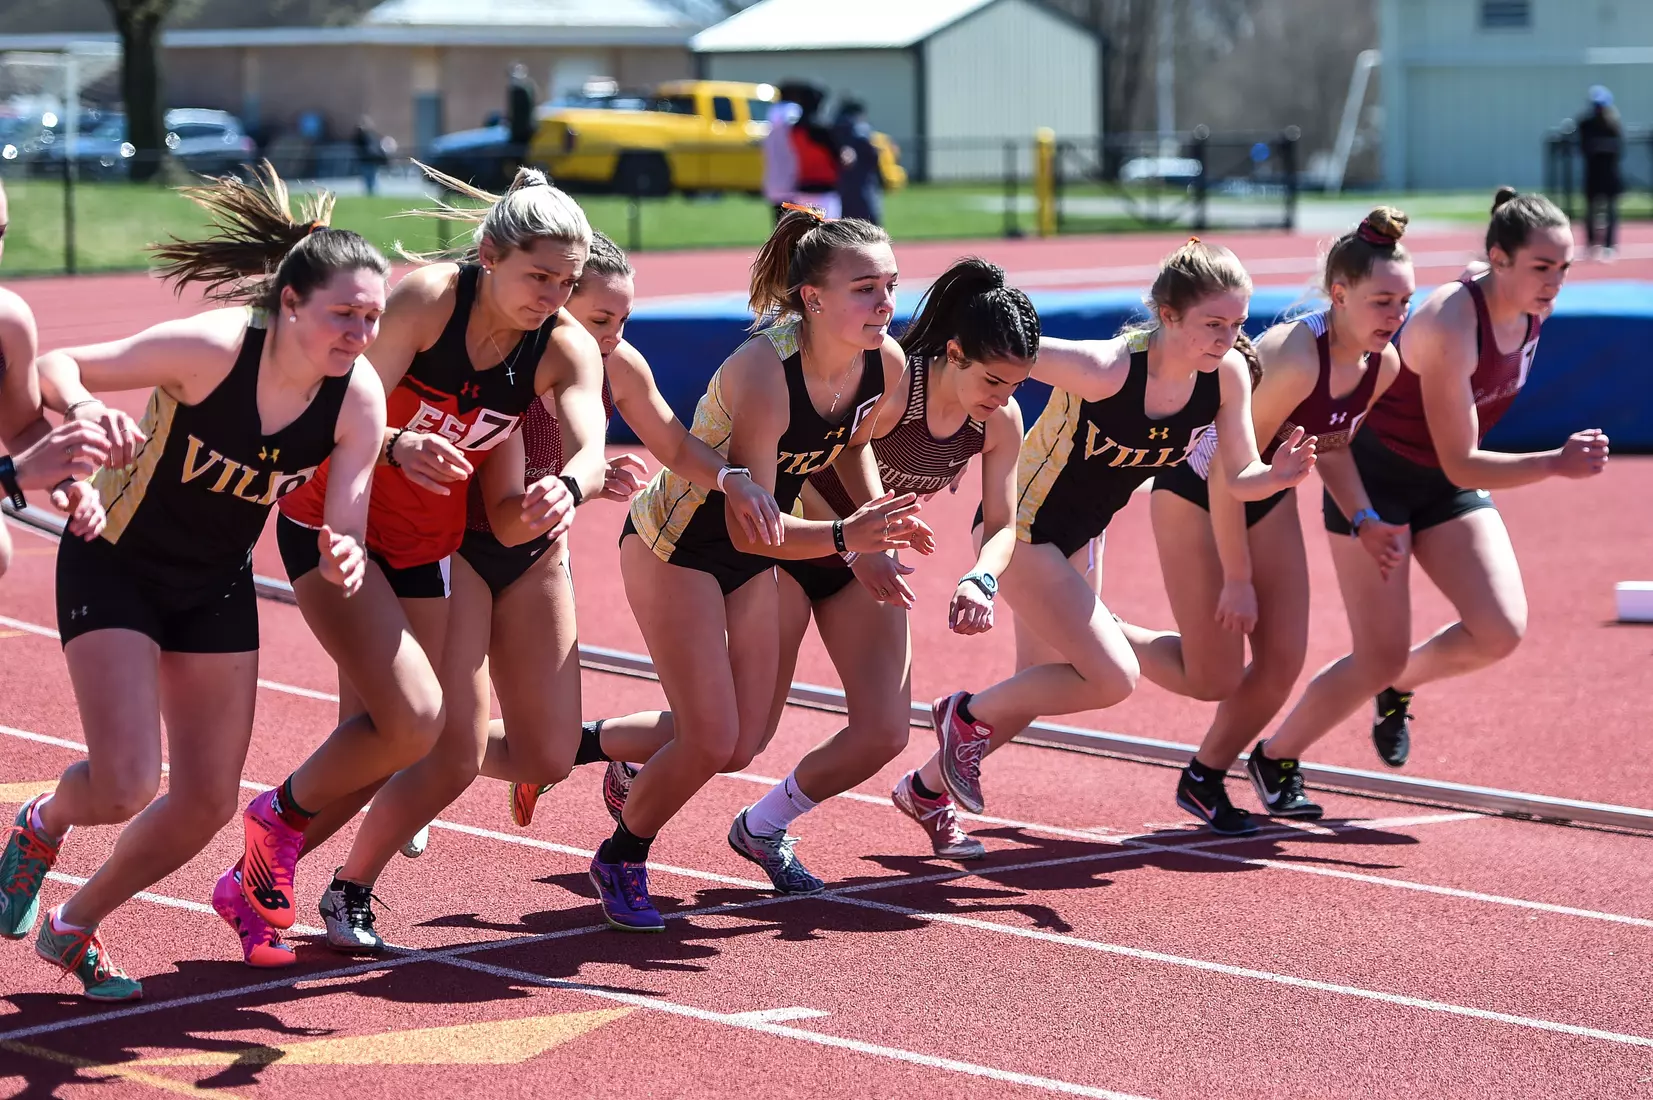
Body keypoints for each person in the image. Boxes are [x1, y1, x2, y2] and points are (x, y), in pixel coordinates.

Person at [0, 165, 388, 998]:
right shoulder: (213, 350)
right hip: (116, 563)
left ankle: (74, 927)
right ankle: (43, 823)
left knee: (208, 799)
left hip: (214, 582)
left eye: (372, 317)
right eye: (344, 314)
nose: (360, 332)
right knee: (126, 783)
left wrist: (346, 550)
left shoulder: (357, 396)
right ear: (290, 305)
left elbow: (346, 513)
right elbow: (62, 366)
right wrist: (82, 413)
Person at [236, 164, 601, 955]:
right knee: (408, 721)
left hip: (424, 547)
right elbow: (339, 400)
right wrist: (400, 444)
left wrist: (571, 483)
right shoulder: (431, 300)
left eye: (567, 282)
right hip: (336, 525)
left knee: (425, 743)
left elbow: (595, 435)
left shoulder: (560, 342)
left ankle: (269, 857)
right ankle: (275, 839)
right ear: (489, 254)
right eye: (537, 275)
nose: (551, 295)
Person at [593, 207, 928, 930]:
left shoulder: (885, 362)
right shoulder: (762, 372)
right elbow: (758, 534)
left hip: (748, 554)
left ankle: (607, 754)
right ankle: (621, 854)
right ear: (812, 298)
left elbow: (845, 445)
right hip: (677, 544)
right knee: (711, 738)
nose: (885, 305)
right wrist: (848, 535)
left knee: (740, 741)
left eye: (891, 287)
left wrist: (875, 534)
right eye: (865, 289)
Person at [414, 229, 782, 860]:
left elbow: (670, 441)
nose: (614, 333)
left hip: (536, 550)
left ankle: (416, 769)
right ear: (554, 305)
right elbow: (491, 485)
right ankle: (405, 787)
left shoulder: (618, 363)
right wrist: (571, 484)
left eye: (625, 319)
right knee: (447, 735)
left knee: (547, 754)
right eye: (601, 318)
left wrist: (729, 478)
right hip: (458, 545)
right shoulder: (514, 362)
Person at [921, 238, 1317, 820]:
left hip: (1083, 537)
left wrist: (1277, 476)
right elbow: (999, 354)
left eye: (1236, 323)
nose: (1226, 337)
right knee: (1111, 678)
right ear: (1167, 314)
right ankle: (963, 715)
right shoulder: (1105, 369)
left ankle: (926, 789)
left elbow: (1239, 477)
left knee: (1038, 685)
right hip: (1024, 535)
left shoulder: (1227, 374)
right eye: (1211, 323)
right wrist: (948, 435)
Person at [1253, 189, 1608, 806]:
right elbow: (1462, 458)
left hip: (1442, 487)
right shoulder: (1449, 322)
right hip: (1377, 479)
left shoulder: (1530, 307)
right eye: (1541, 267)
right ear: (1498, 259)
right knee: (1375, 655)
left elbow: (1452, 469)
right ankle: (1275, 757)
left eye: (1564, 268)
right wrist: (1557, 462)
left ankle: (1398, 685)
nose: (1554, 282)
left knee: (1499, 630)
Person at [1137, 209, 1413, 832]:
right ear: (1339, 295)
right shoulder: (1295, 355)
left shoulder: (1383, 364)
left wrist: (1364, 517)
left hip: (1266, 493)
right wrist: (1237, 576)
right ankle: (1087, 627)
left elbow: (1333, 443)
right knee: (1214, 674)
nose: (1395, 317)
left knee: (1283, 658)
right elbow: (1225, 473)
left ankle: (1205, 776)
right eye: (1382, 302)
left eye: (1404, 303)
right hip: (1196, 490)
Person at [0, 177, 115, 577]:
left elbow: (22, 426)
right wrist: (11, 475)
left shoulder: (6, 322)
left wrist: (63, 481)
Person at [1577, 86, 1623, 261]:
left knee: (1611, 210)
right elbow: (1584, 147)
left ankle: (1609, 245)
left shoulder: (1613, 124)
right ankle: (1590, 244)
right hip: (1592, 175)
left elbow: (1619, 149)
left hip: (1610, 175)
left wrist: (1601, 147)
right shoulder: (1585, 124)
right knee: (1590, 210)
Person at [832, 99, 884, 226]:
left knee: (845, 231)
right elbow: (873, 156)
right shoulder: (862, 129)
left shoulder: (833, 129)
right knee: (871, 231)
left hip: (840, 188)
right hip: (863, 185)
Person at [507, 64, 538, 172]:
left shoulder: (521, 90)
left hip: (522, 130)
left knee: (521, 156)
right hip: (521, 129)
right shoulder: (526, 88)